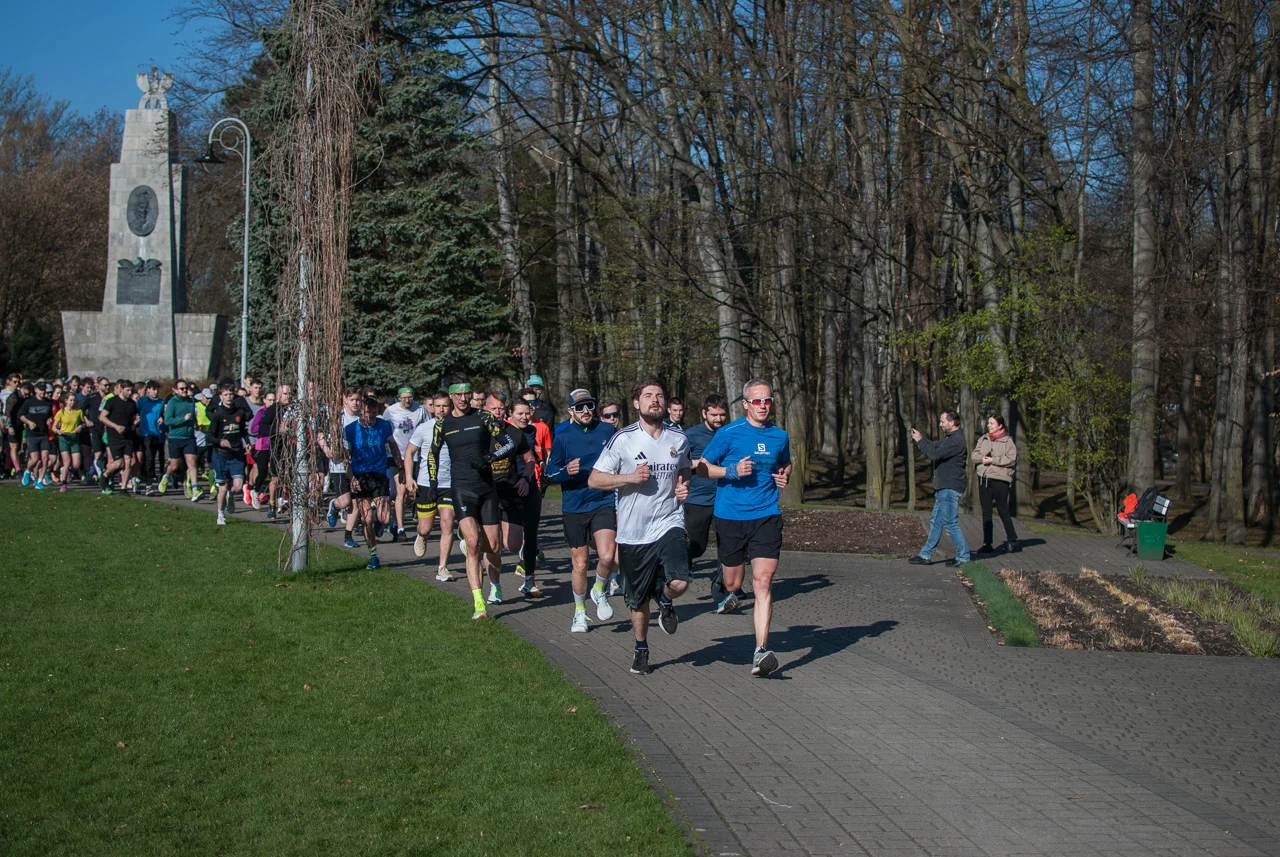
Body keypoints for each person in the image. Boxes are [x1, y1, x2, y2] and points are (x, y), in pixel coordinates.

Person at [589, 377, 692, 675]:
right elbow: (594, 479)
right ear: (636, 403)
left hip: (669, 522)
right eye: (648, 395)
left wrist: (683, 485)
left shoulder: (678, 438)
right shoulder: (623, 439)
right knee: (637, 602)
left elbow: (685, 468)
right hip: (634, 532)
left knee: (680, 581)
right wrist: (629, 478)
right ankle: (641, 647)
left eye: (659, 395)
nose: (655, 400)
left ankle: (666, 598)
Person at [696, 379, 792, 677]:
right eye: (757, 401)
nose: (763, 406)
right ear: (746, 404)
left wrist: (784, 475)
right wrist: (731, 471)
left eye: (768, 401)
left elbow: (785, 464)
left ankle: (760, 651)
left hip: (766, 515)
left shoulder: (780, 436)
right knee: (734, 583)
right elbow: (702, 467)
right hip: (731, 516)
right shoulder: (729, 433)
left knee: (763, 582)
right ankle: (724, 585)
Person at [425, 374, 517, 619]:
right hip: (461, 489)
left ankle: (470, 540)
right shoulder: (442, 424)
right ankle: (479, 604)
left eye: (467, 394)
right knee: (474, 545)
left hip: (486, 489)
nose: (464, 399)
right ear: (451, 396)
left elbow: (509, 443)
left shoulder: (484, 417)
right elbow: (433, 454)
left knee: (493, 547)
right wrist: (433, 483)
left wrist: (491, 457)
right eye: (459, 395)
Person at [545, 388, 619, 632]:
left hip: (602, 501)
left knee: (607, 556)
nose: (585, 411)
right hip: (574, 506)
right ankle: (579, 612)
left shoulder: (607, 431)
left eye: (589, 406)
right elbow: (549, 473)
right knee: (580, 563)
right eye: (579, 407)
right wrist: (566, 471)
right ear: (571, 411)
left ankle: (598, 589)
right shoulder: (563, 436)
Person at [684, 392, 743, 613]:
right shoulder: (691, 435)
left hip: (725, 499)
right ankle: (682, 565)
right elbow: (678, 463)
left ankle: (722, 592)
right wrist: (700, 463)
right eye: (714, 415)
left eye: (722, 415)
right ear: (704, 413)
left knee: (726, 549)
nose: (718, 419)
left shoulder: (731, 433)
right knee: (696, 546)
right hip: (698, 499)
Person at [486, 392, 538, 602]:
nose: (497, 412)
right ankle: (495, 587)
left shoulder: (514, 434)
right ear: (485, 410)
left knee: (513, 545)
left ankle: (480, 543)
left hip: (510, 492)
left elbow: (530, 460)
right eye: (493, 409)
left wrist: (526, 478)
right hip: (488, 494)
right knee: (493, 546)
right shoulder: (480, 433)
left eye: (500, 408)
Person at [909, 410, 971, 567]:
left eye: (943, 421)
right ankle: (925, 555)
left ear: (952, 422)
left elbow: (934, 454)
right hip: (944, 487)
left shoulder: (955, 441)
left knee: (950, 523)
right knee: (936, 521)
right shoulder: (950, 439)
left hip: (950, 487)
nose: (940, 424)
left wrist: (919, 441)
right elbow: (933, 445)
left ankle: (963, 556)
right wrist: (921, 438)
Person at [344, 395, 400, 569]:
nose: (370, 416)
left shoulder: (384, 426)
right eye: (367, 413)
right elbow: (346, 458)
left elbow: (393, 446)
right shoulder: (350, 429)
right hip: (360, 476)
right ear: (361, 412)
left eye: (374, 413)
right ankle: (373, 556)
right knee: (366, 519)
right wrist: (351, 478)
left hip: (379, 474)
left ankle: (379, 517)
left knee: (384, 518)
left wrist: (399, 465)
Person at [509, 399, 549, 596]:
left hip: (530, 484)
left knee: (531, 534)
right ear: (511, 414)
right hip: (509, 487)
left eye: (527, 413)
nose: (525, 417)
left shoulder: (532, 431)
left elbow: (533, 454)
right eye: (520, 414)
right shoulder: (503, 431)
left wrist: (538, 465)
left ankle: (530, 579)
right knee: (511, 544)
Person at [383, 387, 425, 543]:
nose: (407, 400)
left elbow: (428, 427)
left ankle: (395, 520)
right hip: (396, 456)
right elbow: (385, 431)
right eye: (404, 397)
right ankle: (401, 529)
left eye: (410, 397)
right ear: (398, 397)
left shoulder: (420, 409)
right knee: (401, 490)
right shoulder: (391, 411)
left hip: (414, 456)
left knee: (409, 492)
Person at [320, 387, 362, 547]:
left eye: (358, 400)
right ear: (345, 400)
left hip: (357, 466)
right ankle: (335, 505)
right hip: (338, 466)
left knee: (356, 503)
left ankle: (348, 536)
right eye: (352, 400)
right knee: (345, 502)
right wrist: (327, 449)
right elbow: (320, 434)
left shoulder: (362, 419)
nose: (355, 403)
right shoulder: (336, 417)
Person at [974, 414, 1019, 554]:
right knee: (986, 513)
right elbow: (974, 455)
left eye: (992, 423)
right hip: (984, 479)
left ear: (1000, 425)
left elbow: (1011, 459)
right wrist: (982, 458)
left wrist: (993, 460)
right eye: (988, 423)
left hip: (1000, 480)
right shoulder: (983, 439)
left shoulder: (1008, 441)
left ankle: (1012, 540)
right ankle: (987, 543)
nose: (989, 426)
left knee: (1002, 510)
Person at [208, 385, 250, 525]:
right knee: (223, 487)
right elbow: (209, 436)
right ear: (221, 397)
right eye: (225, 394)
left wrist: (247, 443)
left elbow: (243, 431)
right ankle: (220, 515)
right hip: (221, 455)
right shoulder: (218, 414)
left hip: (236, 453)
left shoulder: (239, 412)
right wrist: (220, 442)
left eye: (231, 394)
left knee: (238, 486)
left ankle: (231, 495)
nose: (229, 397)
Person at [98, 379, 140, 495]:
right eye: (127, 390)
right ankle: (105, 475)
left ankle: (123, 488)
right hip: (114, 436)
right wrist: (116, 426)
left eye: (131, 390)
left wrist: (136, 423)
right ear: (121, 389)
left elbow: (133, 420)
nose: (130, 393)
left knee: (128, 461)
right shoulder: (112, 401)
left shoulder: (132, 404)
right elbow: (102, 417)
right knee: (119, 463)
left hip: (128, 436)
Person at [159, 381, 198, 497]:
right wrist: (183, 419)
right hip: (176, 437)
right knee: (175, 465)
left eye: (186, 388)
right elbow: (168, 420)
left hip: (189, 437)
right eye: (181, 389)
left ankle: (195, 488)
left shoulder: (191, 401)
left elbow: (192, 417)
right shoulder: (173, 402)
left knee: (192, 463)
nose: (185, 390)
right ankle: (166, 477)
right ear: (175, 390)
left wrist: (195, 423)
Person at [17, 383, 55, 489]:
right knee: (35, 459)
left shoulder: (48, 403)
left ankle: (39, 482)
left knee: (45, 459)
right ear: (36, 390)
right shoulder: (29, 402)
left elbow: (49, 415)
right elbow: (20, 415)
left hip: (44, 434)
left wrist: (49, 420)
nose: (43, 392)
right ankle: (27, 471)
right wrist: (29, 422)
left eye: (44, 389)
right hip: (32, 434)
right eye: (41, 390)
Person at [52, 390, 85, 491]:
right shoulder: (61, 412)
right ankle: (63, 483)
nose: (72, 402)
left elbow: (84, 423)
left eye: (74, 400)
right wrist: (58, 431)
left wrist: (80, 427)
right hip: (64, 437)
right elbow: (53, 427)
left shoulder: (78, 411)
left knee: (76, 464)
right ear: (66, 401)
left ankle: (67, 471)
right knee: (67, 462)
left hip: (74, 438)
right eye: (70, 400)